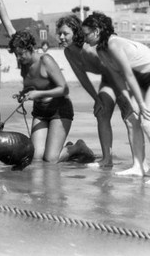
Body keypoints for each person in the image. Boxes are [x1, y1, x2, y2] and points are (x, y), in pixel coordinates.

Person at [82, 12, 150, 184]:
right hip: (142, 79)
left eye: (87, 35)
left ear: (97, 31)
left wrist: (139, 102)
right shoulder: (101, 50)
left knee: (148, 123)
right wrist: (129, 100)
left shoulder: (114, 44)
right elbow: (118, 78)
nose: (85, 40)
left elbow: (129, 75)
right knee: (134, 120)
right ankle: (138, 167)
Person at [56, 15, 142, 168]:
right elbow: (82, 77)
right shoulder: (69, 52)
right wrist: (97, 99)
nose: (61, 37)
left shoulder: (90, 49)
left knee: (130, 119)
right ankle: (107, 160)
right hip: (109, 79)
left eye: (65, 33)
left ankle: (139, 164)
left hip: (124, 77)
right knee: (101, 112)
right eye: (59, 33)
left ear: (76, 33)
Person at [8, 30, 95, 163]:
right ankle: (65, 149)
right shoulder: (24, 66)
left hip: (59, 111)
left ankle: (77, 147)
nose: (18, 58)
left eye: (20, 54)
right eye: (16, 55)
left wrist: (39, 94)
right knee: (36, 158)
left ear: (30, 48)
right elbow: (32, 86)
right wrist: (23, 94)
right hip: (40, 112)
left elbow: (64, 89)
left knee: (51, 159)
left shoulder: (46, 60)